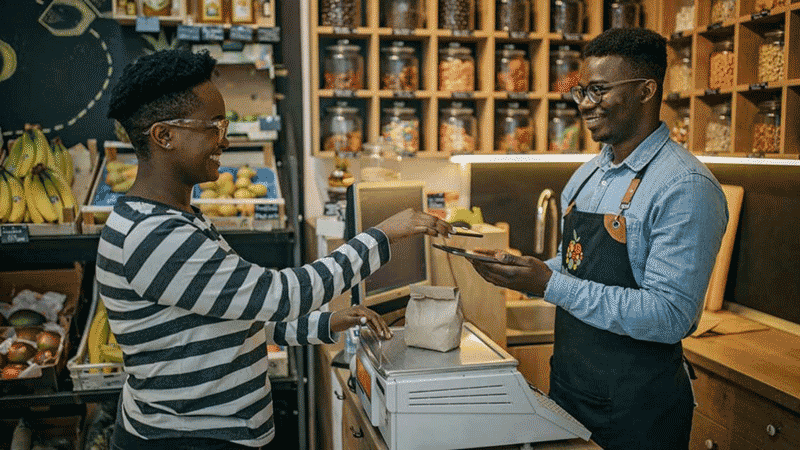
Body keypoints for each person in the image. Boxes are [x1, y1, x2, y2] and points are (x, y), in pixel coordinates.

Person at [98, 49, 452, 449]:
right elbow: (279, 295)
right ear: (164, 136)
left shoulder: (176, 219)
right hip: (191, 439)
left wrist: (325, 324)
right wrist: (383, 234)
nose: (225, 139)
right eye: (213, 126)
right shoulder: (154, 235)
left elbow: (232, 317)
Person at [469, 28, 728, 450]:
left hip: (638, 411)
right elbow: (574, 266)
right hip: (571, 389)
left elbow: (669, 316)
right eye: (582, 91)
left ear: (647, 90)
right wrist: (521, 273)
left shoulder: (685, 187)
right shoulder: (589, 173)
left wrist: (549, 283)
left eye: (599, 90)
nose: (585, 104)